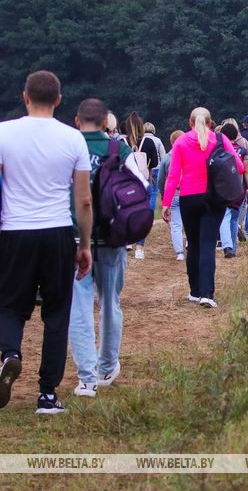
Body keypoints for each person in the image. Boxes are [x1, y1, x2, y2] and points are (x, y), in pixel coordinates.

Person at [0, 70, 93, 415]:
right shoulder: (73, 138)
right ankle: (47, 393)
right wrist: (84, 244)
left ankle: (11, 354)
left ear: (25, 97)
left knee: (10, 305)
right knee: (57, 312)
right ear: (58, 100)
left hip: (16, 231)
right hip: (57, 231)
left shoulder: (3, 132)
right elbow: (83, 200)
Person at [67, 99, 148, 398]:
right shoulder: (119, 150)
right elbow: (142, 187)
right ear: (106, 123)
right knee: (110, 303)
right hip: (112, 237)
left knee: (79, 306)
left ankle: (86, 378)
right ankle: (107, 366)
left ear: (77, 121)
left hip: (75, 237)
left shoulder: (68, 147)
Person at [162, 108, 243, 308]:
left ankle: (195, 291)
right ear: (210, 123)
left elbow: (173, 175)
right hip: (213, 197)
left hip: (188, 197)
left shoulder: (181, 142)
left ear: (190, 123)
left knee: (193, 243)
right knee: (208, 243)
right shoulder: (220, 139)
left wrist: (166, 203)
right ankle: (207, 294)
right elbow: (239, 166)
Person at [122, 113, 158, 260]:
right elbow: (154, 163)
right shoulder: (148, 142)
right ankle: (140, 248)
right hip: (143, 180)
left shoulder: (121, 142)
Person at [217, 122, 248, 259]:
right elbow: (247, 171)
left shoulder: (219, 151)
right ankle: (232, 248)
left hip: (223, 189)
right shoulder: (242, 151)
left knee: (224, 217)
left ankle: (227, 246)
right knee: (234, 219)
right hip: (239, 189)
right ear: (236, 135)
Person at [158, 130, 186, 261]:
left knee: (176, 225)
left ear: (171, 142)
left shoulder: (166, 158)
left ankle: (179, 252)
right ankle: (190, 244)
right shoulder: (189, 155)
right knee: (190, 222)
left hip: (173, 194)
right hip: (188, 193)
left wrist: (164, 196)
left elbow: (161, 180)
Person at [142, 122, 165, 217]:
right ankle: (150, 214)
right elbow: (163, 156)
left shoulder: (141, 140)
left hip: (143, 170)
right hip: (156, 169)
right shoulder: (158, 140)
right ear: (153, 130)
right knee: (154, 192)